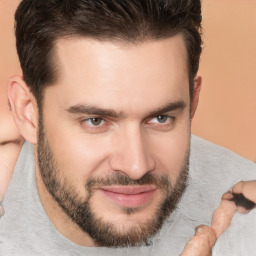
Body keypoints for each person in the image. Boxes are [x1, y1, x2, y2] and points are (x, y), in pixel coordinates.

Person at [0, 0, 256, 255]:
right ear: (28, 112)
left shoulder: (248, 217)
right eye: (96, 121)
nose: (136, 167)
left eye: (161, 118)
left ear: (193, 100)